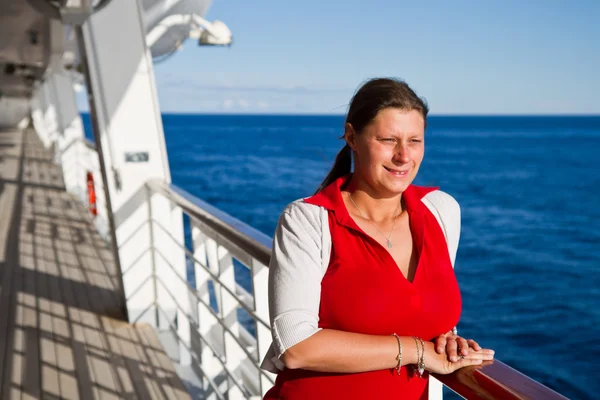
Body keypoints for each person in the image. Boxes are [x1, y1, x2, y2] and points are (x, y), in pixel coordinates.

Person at [259, 78, 494, 399]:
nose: (403, 156)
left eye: (415, 141)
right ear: (352, 136)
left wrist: (448, 339)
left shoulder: (441, 210)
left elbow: (419, 308)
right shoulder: (308, 219)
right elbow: (296, 347)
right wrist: (419, 351)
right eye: (388, 140)